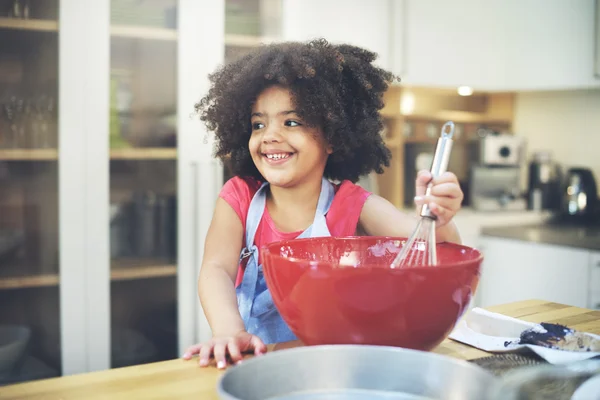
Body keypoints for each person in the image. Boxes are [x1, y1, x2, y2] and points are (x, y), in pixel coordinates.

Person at [182, 39, 464, 369]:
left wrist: (438, 216)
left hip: (333, 367)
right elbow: (216, 269)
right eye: (259, 124)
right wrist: (229, 332)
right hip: (255, 363)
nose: (269, 135)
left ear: (332, 137)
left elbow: (433, 247)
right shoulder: (239, 197)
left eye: (291, 122)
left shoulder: (354, 205)